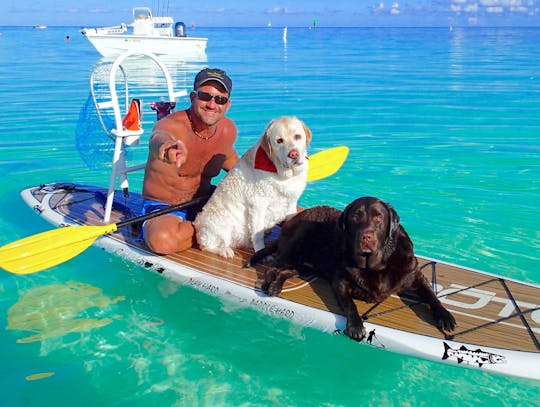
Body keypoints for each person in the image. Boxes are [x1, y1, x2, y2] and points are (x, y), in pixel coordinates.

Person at [141, 68, 238, 254]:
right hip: (165, 207)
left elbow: (236, 166)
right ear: (193, 97)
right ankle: (217, 231)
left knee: (268, 201)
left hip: (206, 203)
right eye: (205, 96)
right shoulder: (173, 126)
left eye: (220, 99)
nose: (212, 104)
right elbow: (158, 137)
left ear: (227, 105)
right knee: (163, 241)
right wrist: (168, 148)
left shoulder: (227, 131)